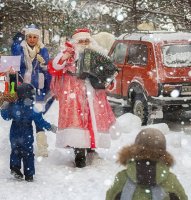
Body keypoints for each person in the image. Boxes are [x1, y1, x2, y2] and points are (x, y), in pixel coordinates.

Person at [50, 28, 120, 168]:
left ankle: (90, 148)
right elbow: (54, 67)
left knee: (92, 121)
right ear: (75, 42)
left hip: (93, 93)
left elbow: (108, 74)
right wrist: (65, 56)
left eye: (86, 40)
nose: (83, 43)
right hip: (74, 94)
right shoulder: (69, 53)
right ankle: (79, 152)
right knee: (77, 122)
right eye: (80, 41)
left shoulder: (98, 53)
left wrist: (110, 78)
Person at [106, 127, 188, 200]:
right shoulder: (171, 181)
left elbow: (110, 197)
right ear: (163, 153)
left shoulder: (122, 178)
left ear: (134, 150)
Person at [0, 83, 57, 182]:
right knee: (28, 154)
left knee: (15, 151)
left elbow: (6, 117)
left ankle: (15, 168)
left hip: (14, 133)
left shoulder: (13, 105)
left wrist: (4, 108)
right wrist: (50, 127)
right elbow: (40, 121)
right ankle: (29, 174)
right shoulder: (32, 108)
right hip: (27, 134)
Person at [11, 24, 52, 157]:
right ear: (26, 37)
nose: (32, 39)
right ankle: (21, 144)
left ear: (38, 38)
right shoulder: (20, 48)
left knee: (38, 116)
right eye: (30, 37)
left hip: (37, 89)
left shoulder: (43, 50)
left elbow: (48, 71)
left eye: (35, 37)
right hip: (23, 89)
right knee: (22, 118)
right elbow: (14, 58)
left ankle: (42, 147)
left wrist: (43, 65)